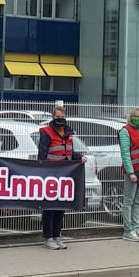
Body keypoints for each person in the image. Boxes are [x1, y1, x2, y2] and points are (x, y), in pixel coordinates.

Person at [37, 104, 89, 249]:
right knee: (49, 207)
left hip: (65, 175)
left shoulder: (68, 133)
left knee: (61, 207)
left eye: (62, 117)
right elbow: (42, 153)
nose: (60, 119)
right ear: (53, 117)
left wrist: (79, 157)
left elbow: (70, 153)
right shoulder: (46, 132)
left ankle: (57, 235)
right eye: (57, 117)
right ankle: (48, 237)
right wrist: (42, 171)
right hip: (51, 175)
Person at [118, 108, 139, 241]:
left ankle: (136, 228)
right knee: (129, 200)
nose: (137, 118)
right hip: (132, 170)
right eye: (134, 116)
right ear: (130, 117)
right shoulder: (125, 131)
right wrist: (130, 172)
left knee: (137, 201)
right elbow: (125, 153)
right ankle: (128, 230)